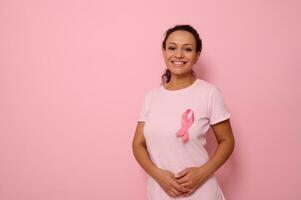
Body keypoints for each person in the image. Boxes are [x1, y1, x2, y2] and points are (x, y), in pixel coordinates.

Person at [132, 24, 235, 200]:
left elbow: (227, 141)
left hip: (201, 193)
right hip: (160, 193)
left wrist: (202, 173)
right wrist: (159, 176)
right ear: (164, 51)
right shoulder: (152, 97)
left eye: (187, 49)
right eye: (172, 48)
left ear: (197, 55)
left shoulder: (209, 93)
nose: (178, 55)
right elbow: (137, 144)